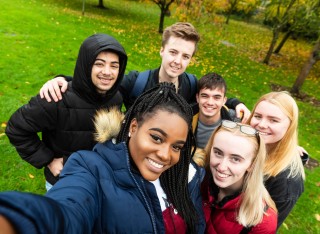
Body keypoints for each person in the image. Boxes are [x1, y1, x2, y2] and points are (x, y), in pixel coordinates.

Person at [0, 83, 205, 233]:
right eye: (156, 138)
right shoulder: (91, 169)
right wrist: (19, 221)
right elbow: (68, 211)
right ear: (134, 127)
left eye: (177, 146)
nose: (165, 155)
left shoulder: (188, 176)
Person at [39, 22, 251, 122]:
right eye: (173, 52)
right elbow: (100, 84)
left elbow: (211, 97)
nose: (177, 61)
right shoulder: (137, 82)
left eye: (185, 56)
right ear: (161, 50)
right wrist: (62, 80)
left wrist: (235, 102)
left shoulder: (191, 84)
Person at [5, 33, 128, 190]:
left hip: (99, 182)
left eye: (114, 65)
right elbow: (16, 128)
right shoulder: (56, 98)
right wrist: (48, 160)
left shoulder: (116, 98)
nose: (107, 72)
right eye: (99, 64)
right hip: (63, 183)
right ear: (86, 65)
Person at [201, 120, 277, 233]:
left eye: (235, 159)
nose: (222, 167)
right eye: (218, 153)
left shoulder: (262, 222)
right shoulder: (196, 180)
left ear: (252, 164)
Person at [247, 91, 306, 229]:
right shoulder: (250, 145)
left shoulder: (287, 183)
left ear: (290, 126)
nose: (261, 124)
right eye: (257, 116)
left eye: (273, 120)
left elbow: (263, 229)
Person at [192, 72, 239, 150]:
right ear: (197, 98)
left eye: (216, 97)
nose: (210, 102)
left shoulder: (235, 121)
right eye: (205, 96)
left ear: (224, 100)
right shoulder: (185, 117)